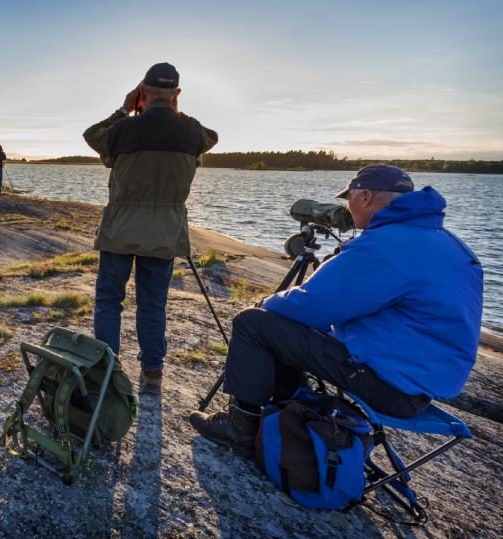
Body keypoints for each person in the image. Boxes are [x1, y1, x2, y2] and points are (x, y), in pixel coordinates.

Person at [189, 165, 483, 459]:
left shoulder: (386, 245)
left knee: (253, 323)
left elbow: (311, 305)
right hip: (424, 383)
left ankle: (241, 430)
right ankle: (289, 412)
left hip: (390, 384)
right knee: (290, 326)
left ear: (365, 197)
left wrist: (266, 302)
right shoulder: (450, 243)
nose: (347, 207)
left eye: (349, 199)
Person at [83, 62, 218, 394]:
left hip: (120, 230)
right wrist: (174, 111)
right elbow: (210, 138)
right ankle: (153, 373)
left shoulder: (124, 130)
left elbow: (92, 136)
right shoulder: (191, 132)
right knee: (153, 304)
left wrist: (123, 110)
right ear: (177, 94)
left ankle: (107, 371)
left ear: (141, 92)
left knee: (109, 300)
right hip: (163, 234)